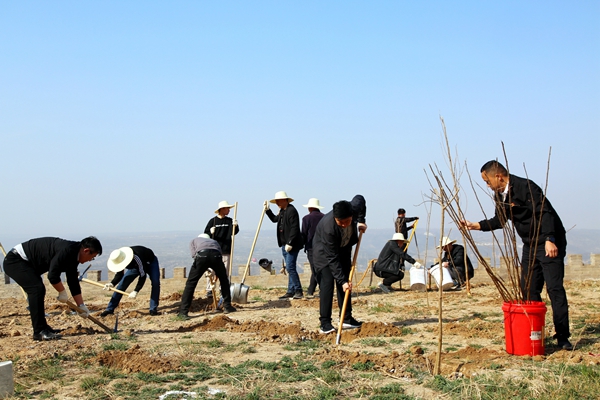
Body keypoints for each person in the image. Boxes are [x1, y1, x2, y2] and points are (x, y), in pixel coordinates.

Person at [461, 160, 572, 350]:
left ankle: (563, 337)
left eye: (487, 181)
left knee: (554, 289)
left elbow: (544, 213)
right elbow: (499, 220)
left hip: (548, 241)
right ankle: (537, 333)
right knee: (528, 289)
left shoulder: (526, 187)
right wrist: (476, 225)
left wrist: (550, 238)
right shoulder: (499, 195)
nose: (487, 186)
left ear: (498, 176)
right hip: (529, 244)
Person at [2, 236, 102, 340]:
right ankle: (39, 332)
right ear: (86, 251)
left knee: (38, 289)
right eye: (92, 257)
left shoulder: (74, 255)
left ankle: (44, 328)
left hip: (28, 264)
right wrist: (62, 292)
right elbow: (53, 275)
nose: (90, 260)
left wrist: (81, 305)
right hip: (15, 260)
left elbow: (73, 281)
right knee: (36, 289)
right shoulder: (67, 250)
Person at [313, 195, 367, 334]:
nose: (343, 225)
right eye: (340, 222)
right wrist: (341, 280)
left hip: (344, 251)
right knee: (327, 284)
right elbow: (332, 257)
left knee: (345, 286)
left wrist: (361, 221)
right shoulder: (328, 227)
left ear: (351, 215)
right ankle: (325, 323)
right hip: (324, 255)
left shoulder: (354, 208)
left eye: (347, 221)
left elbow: (360, 198)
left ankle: (346, 319)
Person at [178, 234, 236, 318]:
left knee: (191, 283)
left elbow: (193, 254)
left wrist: (202, 266)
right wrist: (216, 269)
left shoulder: (194, 240)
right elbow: (219, 252)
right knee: (224, 280)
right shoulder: (214, 241)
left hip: (202, 255)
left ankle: (183, 312)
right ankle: (227, 306)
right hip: (216, 256)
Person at [100, 246, 161, 317]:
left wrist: (136, 290)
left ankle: (153, 309)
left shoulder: (136, 257)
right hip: (135, 267)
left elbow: (143, 276)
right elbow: (119, 274)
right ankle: (109, 309)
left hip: (150, 263)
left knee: (155, 283)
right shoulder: (119, 259)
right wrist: (112, 283)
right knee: (121, 285)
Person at [265, 191, 304, 299]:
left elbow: (295, 228)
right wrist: (267, 211)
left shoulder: (292, 211)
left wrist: (290, 242)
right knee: (290, 268)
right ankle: (291, 291)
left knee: (290, 267)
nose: (277, 203)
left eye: (278, 201)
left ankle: (298, 290)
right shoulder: (282, 211)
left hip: (292, 244)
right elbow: (274, 219)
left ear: (284, 200)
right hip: (284, 244)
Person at [203, 200, 239, 299]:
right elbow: (206, 234)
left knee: (225, 272)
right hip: (214, 250)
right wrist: (211, 232)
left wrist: (235, 226)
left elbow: (234, 232)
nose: (229, 210)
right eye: (227, 208)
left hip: (226, 250)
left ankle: (223, 289)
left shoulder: (229, 221)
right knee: (212, 272)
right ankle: (210, 290)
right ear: (222, 209)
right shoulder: (213, 221)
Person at [301, 198, 325, 298]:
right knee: (320, 268)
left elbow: (304, 234)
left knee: (315, 269)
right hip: (324, 247)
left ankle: (321, 290)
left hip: (311, 247)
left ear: (310, 208)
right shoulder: (325, 217)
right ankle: (311, 290)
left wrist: (301, 244)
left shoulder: (306, 218)